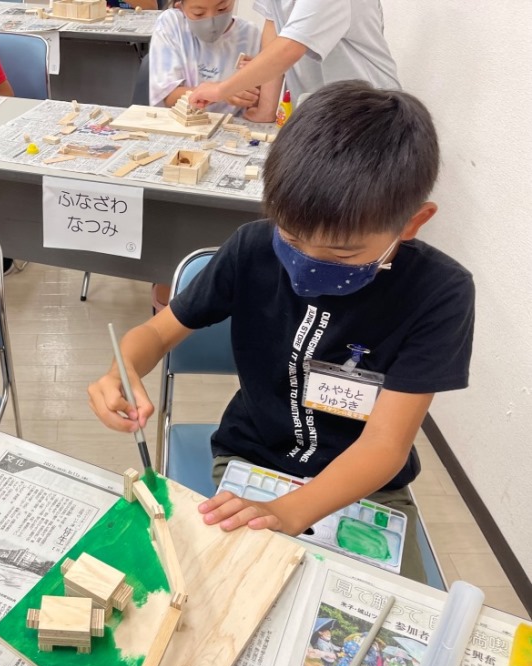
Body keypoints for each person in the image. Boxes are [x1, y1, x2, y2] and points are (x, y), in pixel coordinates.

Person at [87, 82, 474, 583]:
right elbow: (156, 334)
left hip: (367, 485)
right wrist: (122, 371)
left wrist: (290, 512)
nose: (307, 263)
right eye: (290, 237)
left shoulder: (438, 293)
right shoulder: (251, 249)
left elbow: (384, 445)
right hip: (252, 458)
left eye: (342, 253)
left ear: (412, 223)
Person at [188, 0, 399, 113]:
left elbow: (290, 47)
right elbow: (273, 25)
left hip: (370, 111)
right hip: (321, 111)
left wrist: (221, 89)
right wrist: (266, 110)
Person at [150, 0, 276, 119]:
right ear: (180, 7)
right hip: (179, 122)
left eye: (222, 9)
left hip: (230, 125)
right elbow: (167, 97)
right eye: (198, 13)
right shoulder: (172, 24)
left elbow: (256, 105)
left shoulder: (250, 35)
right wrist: (224, 91)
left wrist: (256, 83)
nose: (211, 21)